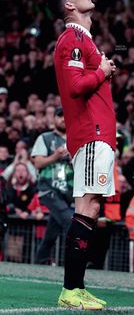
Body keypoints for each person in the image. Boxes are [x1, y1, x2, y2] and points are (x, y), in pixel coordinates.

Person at [48, 0, 116, 310]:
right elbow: (75, 87)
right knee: (87, 209)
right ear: (69, 7)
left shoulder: (82, 39)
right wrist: (102, 71)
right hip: (91, 133)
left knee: (89, 209)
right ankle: (71, 290)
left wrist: (101, 71)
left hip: (95, 133)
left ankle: (76, 287)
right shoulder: (71, 39)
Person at [31, 106, 74, 264]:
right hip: (48, 189)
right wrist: (55, 156)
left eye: (66, 116)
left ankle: (40, 261)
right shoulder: (45, 137)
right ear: (54, 119)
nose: (63, 119)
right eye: (59, 116)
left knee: (51, 232)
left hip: (67, 192)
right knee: (71, 222)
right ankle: (76, 262)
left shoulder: (75, 139)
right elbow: (37, 162)